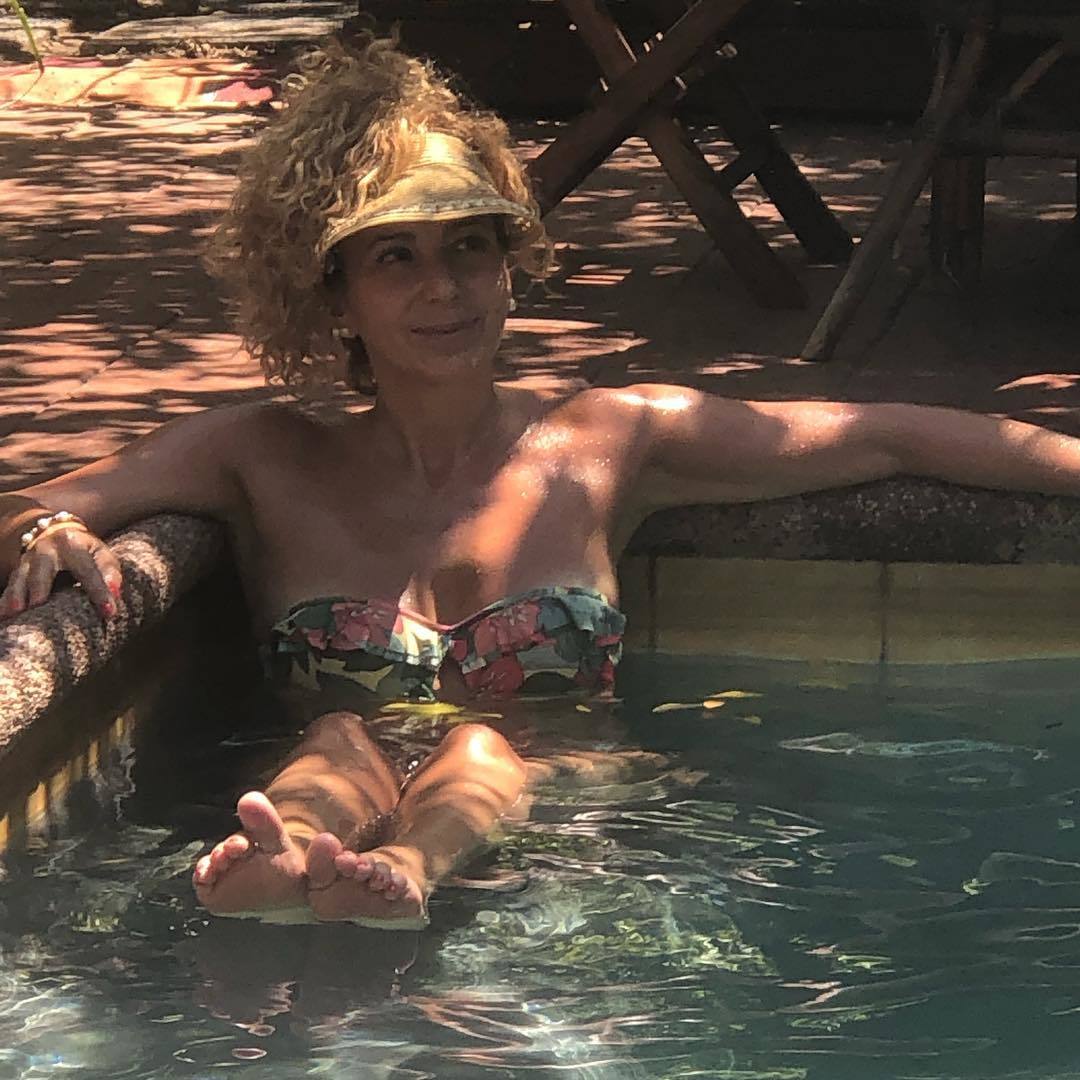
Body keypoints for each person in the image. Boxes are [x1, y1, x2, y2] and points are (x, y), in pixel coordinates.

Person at [3, 34, 1080, 928]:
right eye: (397, 256)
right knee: (335, 741)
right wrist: (50, 530)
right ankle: (281, 861)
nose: (445, 288)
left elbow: (889, 438)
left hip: (563, 828)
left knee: (479, 746)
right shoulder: (262, 453)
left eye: (470, 248)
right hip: (330, 791)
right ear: (335, 295)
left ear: (510, 266)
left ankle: (403, 872)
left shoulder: (609, 439)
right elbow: (34, 505)